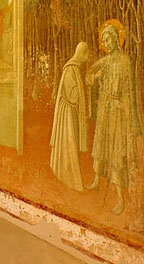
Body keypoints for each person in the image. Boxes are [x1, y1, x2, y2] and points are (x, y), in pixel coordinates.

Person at [85, 24, 141, 215]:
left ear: (117, 39)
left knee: (117, 151)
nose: (106, 43)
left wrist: (125, 108)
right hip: (105, 108)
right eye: (104, 41)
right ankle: (96, 180)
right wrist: (94, 78)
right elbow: (88, 76)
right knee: (101, 144)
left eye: (109, 39)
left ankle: (120, 199)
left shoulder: (125, 61)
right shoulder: (105, 61)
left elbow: (130, 90)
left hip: (118, 110)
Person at [49, 42, 89, 192]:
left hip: (71, 112)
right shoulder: (71, 68)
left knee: (70, 143)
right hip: (67, 113)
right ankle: (69, 177)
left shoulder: (75, 68)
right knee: (68, 143)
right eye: (86, 54)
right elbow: (73, 96)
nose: (87, 57)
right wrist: (85, 86)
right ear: (81, 53)